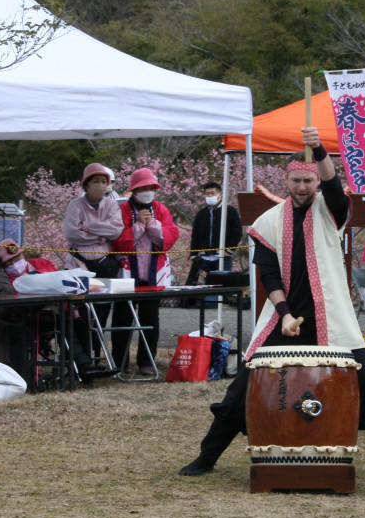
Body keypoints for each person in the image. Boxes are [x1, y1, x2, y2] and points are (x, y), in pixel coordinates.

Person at [179, 127, 365, 479]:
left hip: (333, 317)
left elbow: (335, 187)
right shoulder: (268, 222)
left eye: (308, 181)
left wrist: (320, 149)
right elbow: (270, 277)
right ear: (287, 180)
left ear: (315, 182)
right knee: (240, 390)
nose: (302, 187)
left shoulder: (331, 210)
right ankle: (206, 458)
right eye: (296, 181)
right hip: (283, 318)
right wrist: (283, 314)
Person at [110, 168, 180, 373]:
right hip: (126, 275)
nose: (148, 191)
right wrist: (138, 226)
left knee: (150, 318)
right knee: (122, 317)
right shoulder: (122, 210)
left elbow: (169, 237)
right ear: (134, 190)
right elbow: (117, 240)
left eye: (151, 187)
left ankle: (147, 360)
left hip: (153, 275)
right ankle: (119, 360)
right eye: (143, 188)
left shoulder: (161, 209)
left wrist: (152, 224)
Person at [62, 162, 124, 380]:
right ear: (86, 184)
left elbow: (115, 230)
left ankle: (97, 357)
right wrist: (100, 232)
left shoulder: (111, 204)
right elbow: (72, 233)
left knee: (101, 314)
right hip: (79, 264)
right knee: (79, 314)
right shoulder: (75, 205)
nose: (100, 185)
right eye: (95, 181)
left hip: (106, 263)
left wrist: (87, 226)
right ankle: (83, 361)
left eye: (103, 182)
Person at [185, 181, 243, 288]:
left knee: (223, 286)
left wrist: (229, 250)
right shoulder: (201, 214)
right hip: (204, 259)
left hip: (222, 257)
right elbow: (195, 235)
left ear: (220, 194)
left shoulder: (230, 211)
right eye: (207, 194)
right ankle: (208, 303)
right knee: (208, 286)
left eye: (212, 193)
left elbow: (237, 232)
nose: (210, 196)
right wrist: (193, 254)